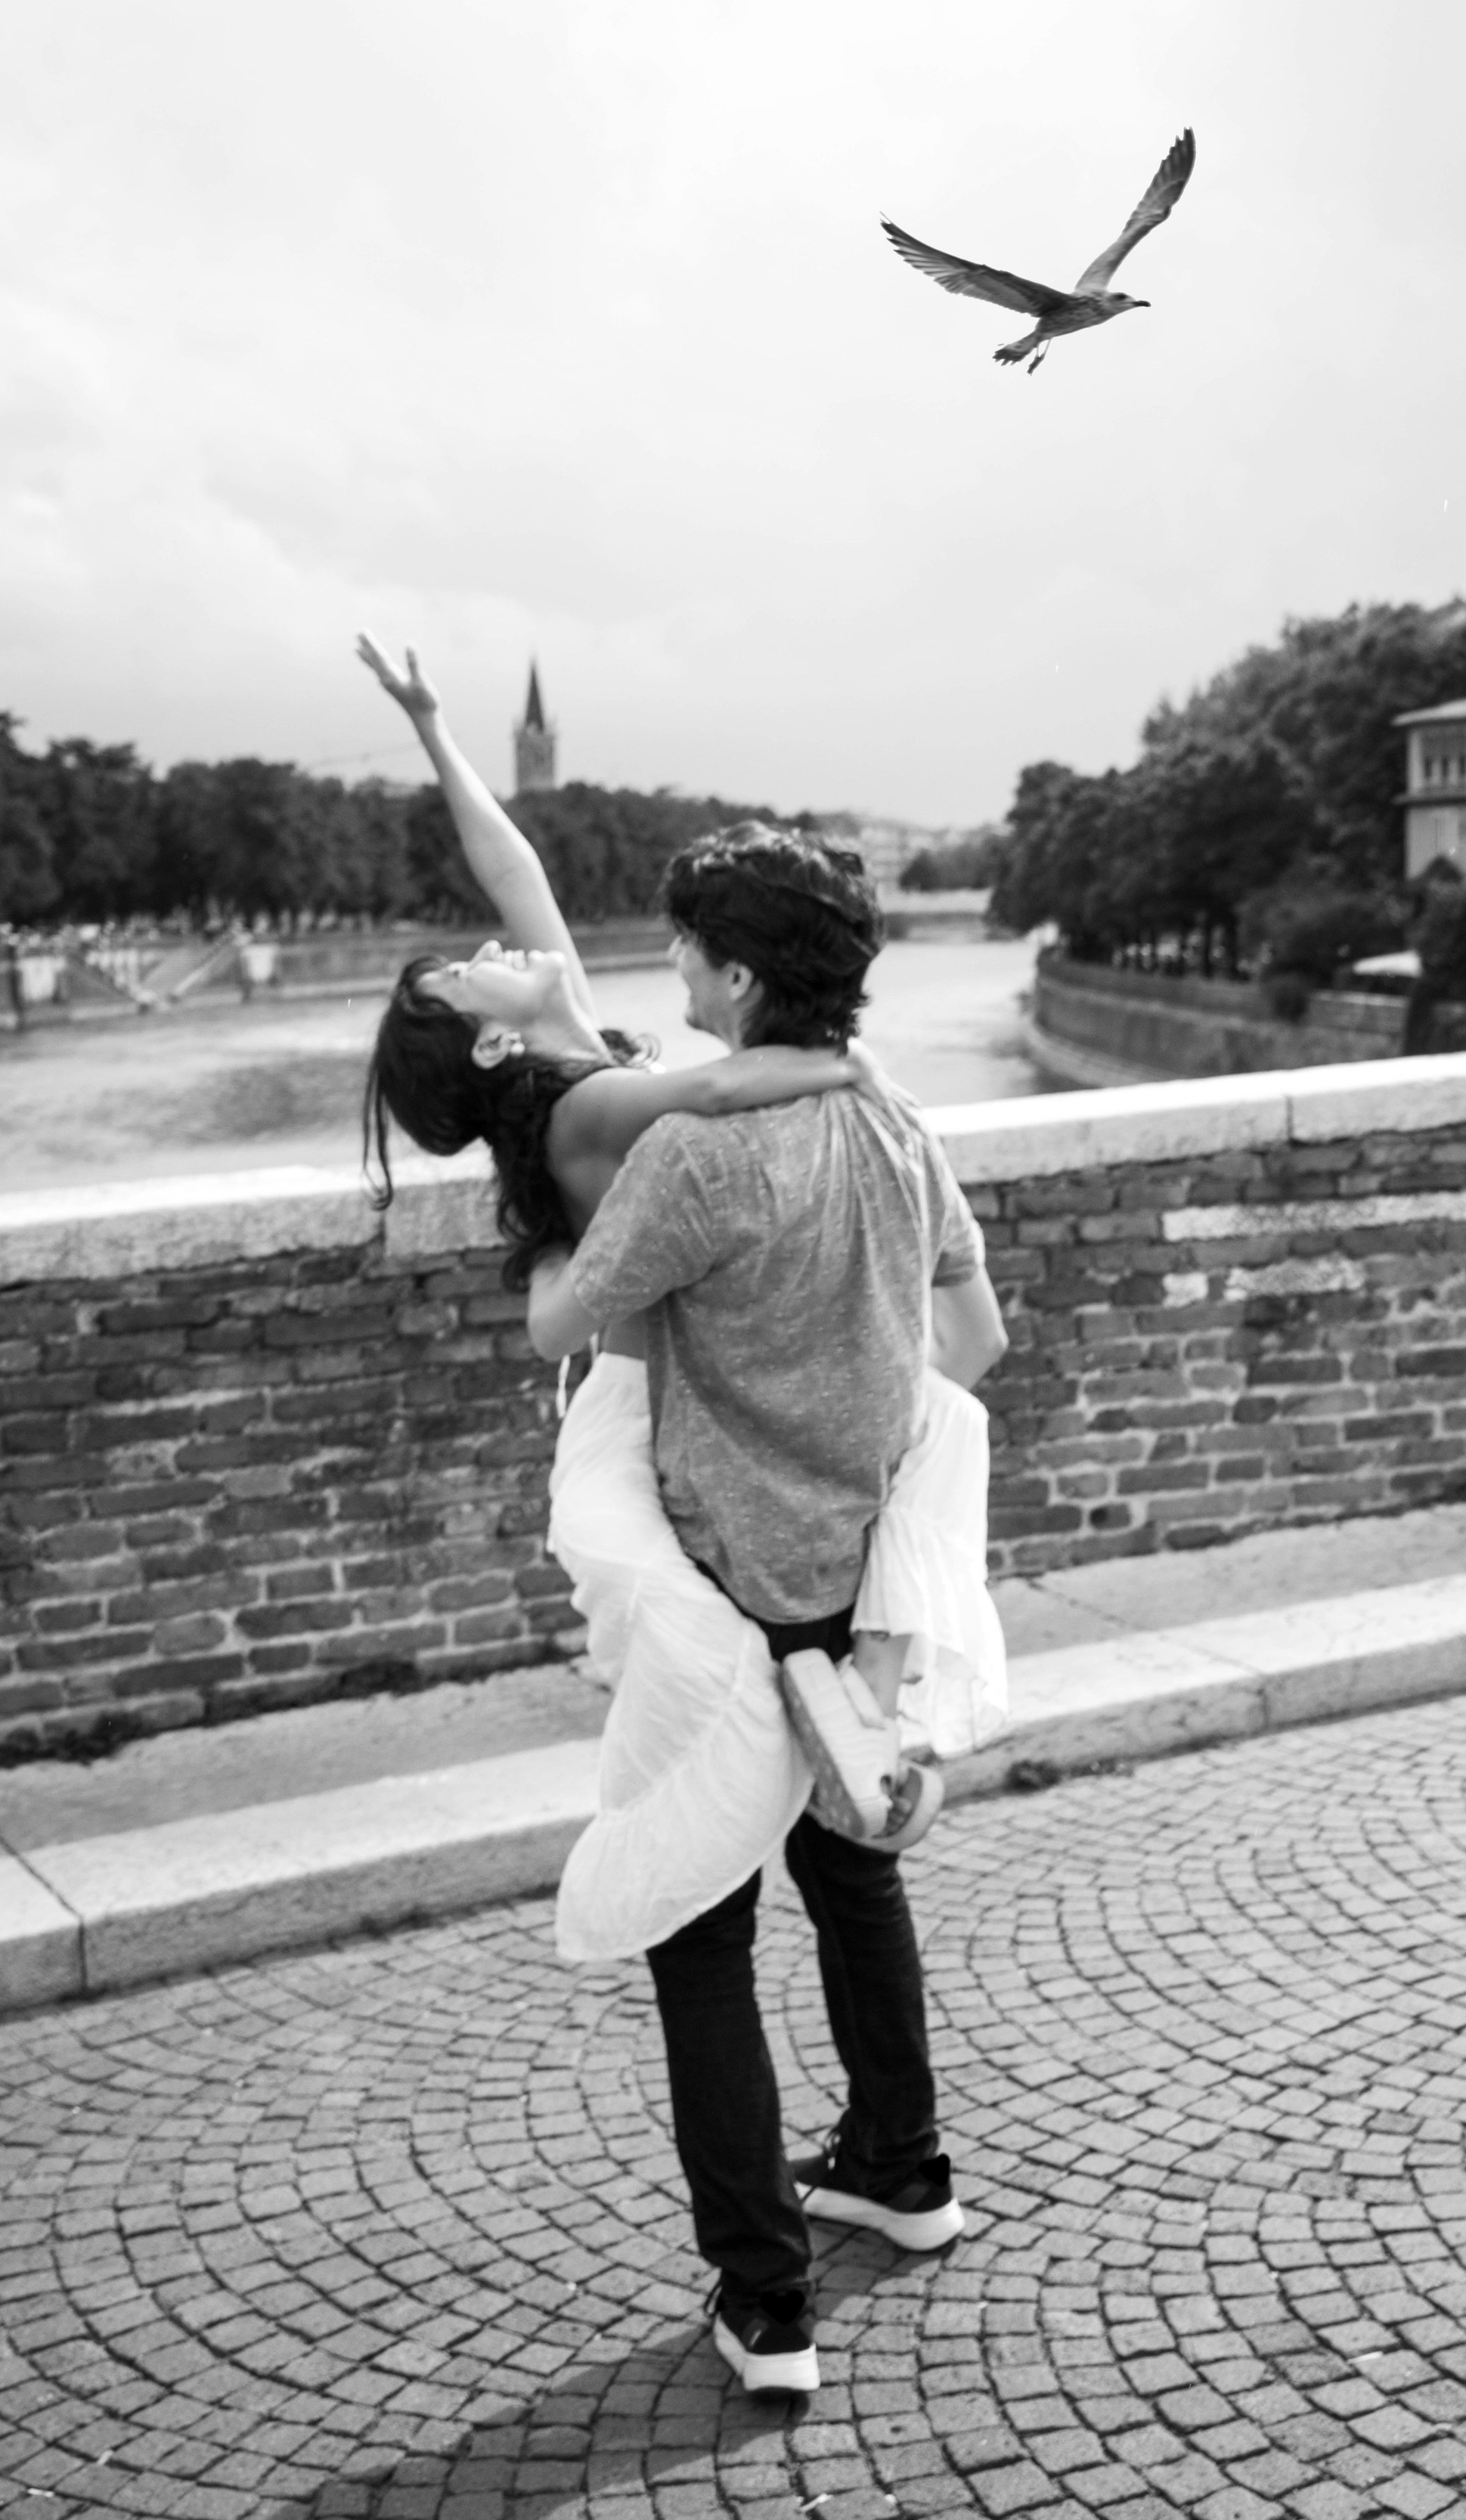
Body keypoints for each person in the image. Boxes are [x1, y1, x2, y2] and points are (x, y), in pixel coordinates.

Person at [356, 638, 1006, 1936]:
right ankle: (847, 1722)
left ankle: (839, 1731)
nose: (497, 941)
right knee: (755, 1787)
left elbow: (515, 865)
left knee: (757, 1777)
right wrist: (847, 1072)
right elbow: (717, 1089)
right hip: (678, 1401)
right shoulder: (592, 1104)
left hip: (697, 1376)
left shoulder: (570, 1046)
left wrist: (433, 731)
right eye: (469, 965)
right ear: (489, 1029)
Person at [526, 820, 1008, 2400]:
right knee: (850, 1871)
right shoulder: (894, 1126)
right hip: (850, 1582)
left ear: (734, 976)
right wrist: (845, 1417)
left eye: (678, 951)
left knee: (696, 1928)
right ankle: (902, 2166)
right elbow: (978, 1342)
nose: (667, 973)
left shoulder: (694, 1154)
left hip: (721, 1591)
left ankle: (767, 2305)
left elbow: (556, 1319)